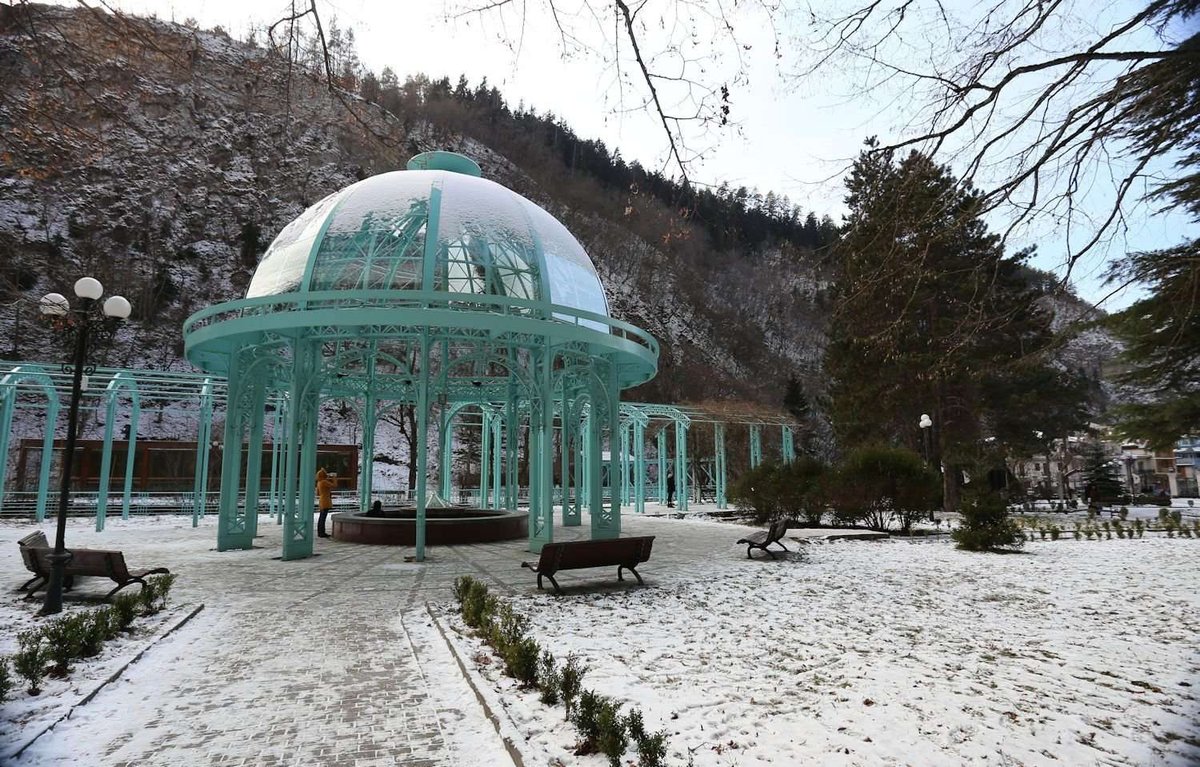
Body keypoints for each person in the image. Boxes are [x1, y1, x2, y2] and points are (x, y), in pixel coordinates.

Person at [316, 468, 334, 538]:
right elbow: (334, 485)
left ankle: (320, 532)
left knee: (321, 517)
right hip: (326, 500)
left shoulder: (319, 482)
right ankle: (322, 533)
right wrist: (334, 478)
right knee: (323, 517)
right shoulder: (324, 482)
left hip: (321, 500)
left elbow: (317, 493)